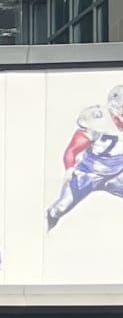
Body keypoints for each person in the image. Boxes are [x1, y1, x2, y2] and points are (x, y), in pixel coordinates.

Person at [48, 84, 123, 231]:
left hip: (117, 173)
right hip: (88, 173)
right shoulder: (98, 121)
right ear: (115, 107)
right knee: (60, 208)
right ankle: (45, 226)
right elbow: (72, 150)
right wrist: (69, 169)